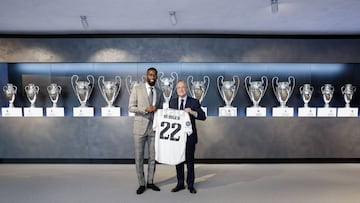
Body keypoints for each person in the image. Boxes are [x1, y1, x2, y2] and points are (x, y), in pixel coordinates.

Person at [128, 67, 164, 195]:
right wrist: (145, 109)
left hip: (154, 129)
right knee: (139, 158)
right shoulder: (137, 89)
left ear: (157, 77)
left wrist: (158, 110)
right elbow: (131, 107)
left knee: (153, 158)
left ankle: (150, 181)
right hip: (139, 129)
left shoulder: (159, 92)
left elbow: (161, 110)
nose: (152, 76)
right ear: (146, 75)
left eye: (154, 75)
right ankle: (141, 184)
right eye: (150, 74)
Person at [169, 80, 206, 194]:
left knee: (190, 162)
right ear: (176, 89)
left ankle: (190, 185)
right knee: (178, 161)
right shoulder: (172, 102)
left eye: (183, 87)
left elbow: (203, 116)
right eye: (179, 87)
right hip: (177, 138)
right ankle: (180, 184)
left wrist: (193, 112)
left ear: (187, 89)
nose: (181, 89)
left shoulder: (194, 102)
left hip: (189, 137)